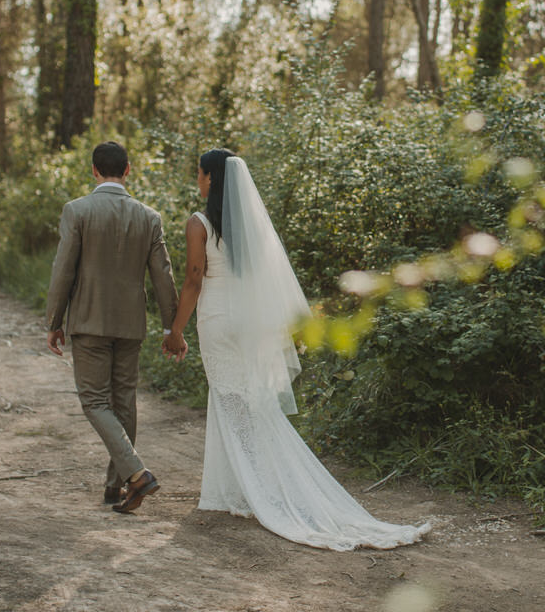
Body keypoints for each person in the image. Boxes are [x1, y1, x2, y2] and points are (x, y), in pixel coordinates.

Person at [164, 148, 430, 550]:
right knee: (250, 401)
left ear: (211, 178)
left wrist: (176, 331)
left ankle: (255, 489)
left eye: (200, 173)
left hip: (217, 319)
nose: (197, 180)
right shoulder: (248, 228)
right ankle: (245, 486)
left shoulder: (197, 224)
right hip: (247, 320)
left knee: (229, 399)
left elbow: (194, 278)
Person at [45, 141, 185, 513]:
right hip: (130, 324)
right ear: (127, 170)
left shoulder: (77, 210)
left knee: (94, 401)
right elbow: (163, 275)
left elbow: (63, 270)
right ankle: (116, 486)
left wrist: (54, 321)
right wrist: (171, 328)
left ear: (94, 170)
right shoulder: (149, 217)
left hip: (89, 321)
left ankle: (136, 474)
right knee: (124, 402)